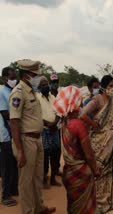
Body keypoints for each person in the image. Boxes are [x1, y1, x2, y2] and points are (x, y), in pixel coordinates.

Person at [9, 59, 55, 214]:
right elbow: (14, 122)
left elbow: (32, 117)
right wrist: (20, 151)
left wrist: (47, 123)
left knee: (37, 177)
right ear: (27, 75)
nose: (38, 78)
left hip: (37, 139)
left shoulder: (32, 92)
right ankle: (28, 211)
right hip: (26, 141)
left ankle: (38, 207)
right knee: (26, 181)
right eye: (35, 75)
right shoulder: (18, 93)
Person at [53, 86, 100, 214]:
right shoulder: (78, 124)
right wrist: (95, 169)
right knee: (85, 208)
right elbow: (89, 154)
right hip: (81, 172)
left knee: (73, 205)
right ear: (75, 102)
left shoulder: (63, 123)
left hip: (69, 172)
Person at [80, 75, 113, 213]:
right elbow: (83, 115)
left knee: (111, 173)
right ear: (103, 87)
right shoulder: (97, 99)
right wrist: (94, 125)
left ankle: (112, 201)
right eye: (110, 86)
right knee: (100, 173)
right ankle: (99, 204)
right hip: (100, 144)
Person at [36, 76, 61, 189]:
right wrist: (48, 124)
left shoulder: (53, 97)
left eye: (47, 84)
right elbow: (36, 115)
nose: (46, 86)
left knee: (55, 155)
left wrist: (55, 123)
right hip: (44, 131)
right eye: (43, 85)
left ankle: (53, 179)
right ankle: (44, 179)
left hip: (54, 129)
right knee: (45, 156)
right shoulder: (37, 98)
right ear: (39, 87)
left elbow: (59, 111)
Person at [0, 66, 18, 206]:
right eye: (12, 77)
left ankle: (12, 189)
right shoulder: (2, 93)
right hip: (5, 134)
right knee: (6, 166)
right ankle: (5, 196)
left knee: (13, 164)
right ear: (5, 77)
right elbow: (5, 114)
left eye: (15, 77)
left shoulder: (14, 92)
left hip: (14, 133)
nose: (14, 79)